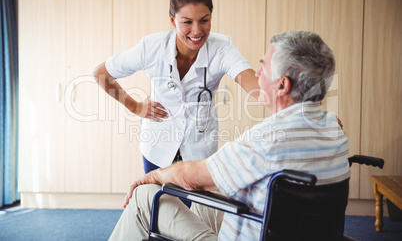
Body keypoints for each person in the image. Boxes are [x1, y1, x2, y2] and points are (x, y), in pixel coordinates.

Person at [108, 31, 351, 240]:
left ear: (282, 85)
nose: (256, 74)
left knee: (144, 196)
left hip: (255, 232)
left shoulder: (266, 140)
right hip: (290, 229)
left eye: (263, 67)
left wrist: (151, 176)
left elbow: (191, 178)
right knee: (207, 197)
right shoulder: (333, 127)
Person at [93, 0, 259, 174]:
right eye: (187, 22)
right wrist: (135, 107)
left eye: (204, 20)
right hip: (157, 148)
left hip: (199, 152)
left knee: (192, 205)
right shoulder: (152, 47)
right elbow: (101, 74)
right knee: (158, 202)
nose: (197, 31)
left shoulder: (222, 48)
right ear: (173, 20)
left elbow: (256, 87)